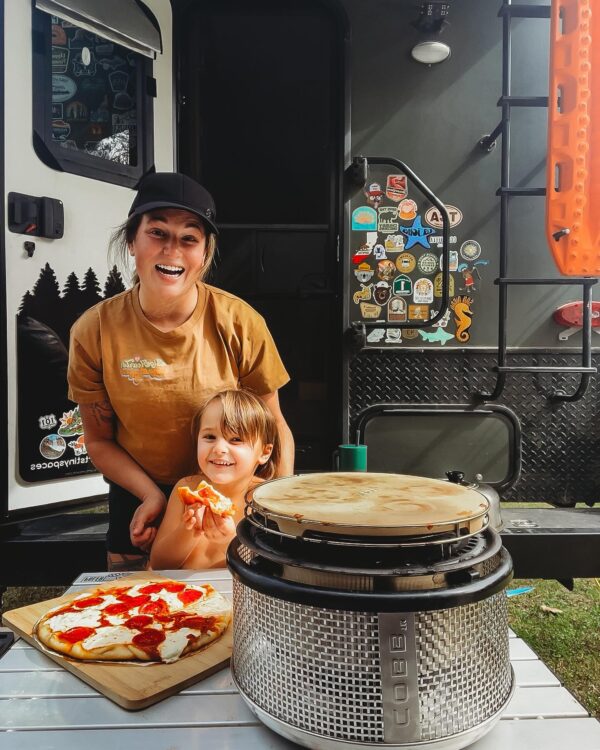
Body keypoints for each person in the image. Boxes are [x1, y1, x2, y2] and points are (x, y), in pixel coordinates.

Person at [67, 172, 294, 571]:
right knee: (135, 606)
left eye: (189, 238)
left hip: (232, 489)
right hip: (138, 493)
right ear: (132, 242)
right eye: (158, 233)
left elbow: (273, 425)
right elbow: (99, 441)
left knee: (239, 593)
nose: (173, 249)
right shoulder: (95, 328)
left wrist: (277, 503)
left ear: (204, 254)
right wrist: (153, 497)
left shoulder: (239, 322)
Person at [150, 388, 279, 570]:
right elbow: (159, 564)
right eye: (210, 437)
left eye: (235, 439)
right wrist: (188, 531)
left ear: (265, 452)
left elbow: (271, 570)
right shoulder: (187, 488)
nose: (219, 448)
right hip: (181, 593)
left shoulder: (266, 501)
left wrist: (230, 540)